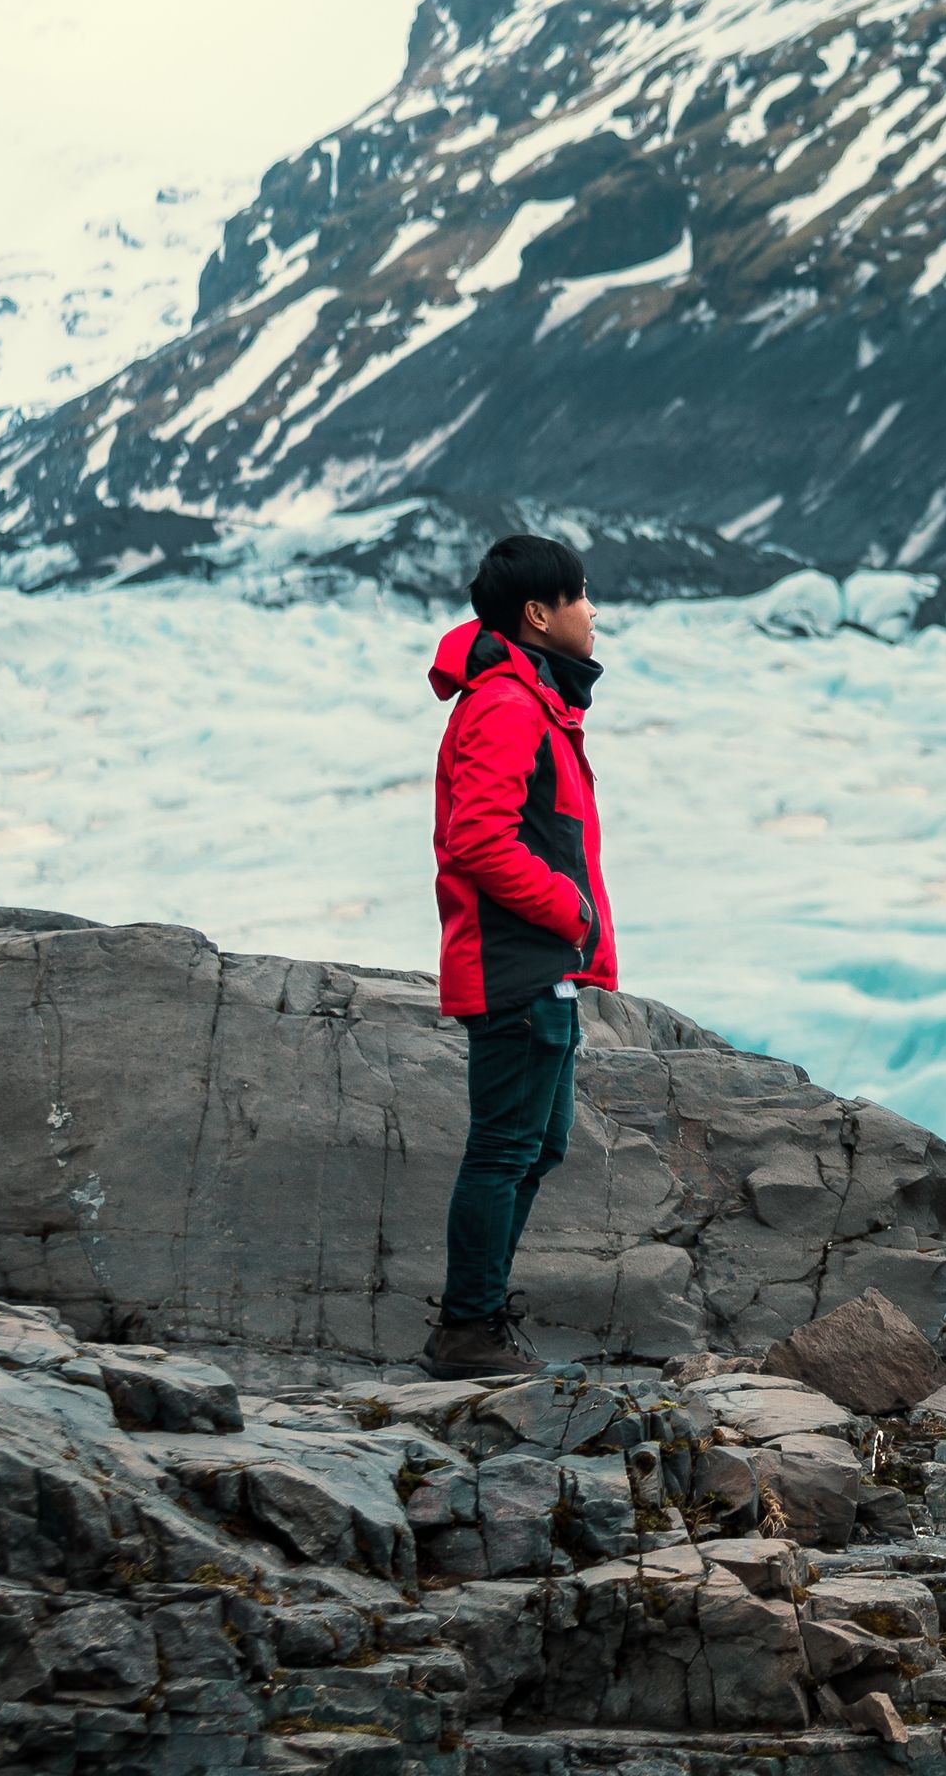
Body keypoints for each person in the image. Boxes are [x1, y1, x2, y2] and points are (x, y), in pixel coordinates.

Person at [419, 532, 620, 1381]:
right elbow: (478, 841)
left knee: (538, 1144)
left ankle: (482, 1313)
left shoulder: (535, 700)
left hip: (540, 965)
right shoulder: (506, 704)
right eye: (580, 595)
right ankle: (468, 1327)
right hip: (516, 965)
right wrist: (567, 910)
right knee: (505, 1148)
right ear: (539, 615)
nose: (594, 610)